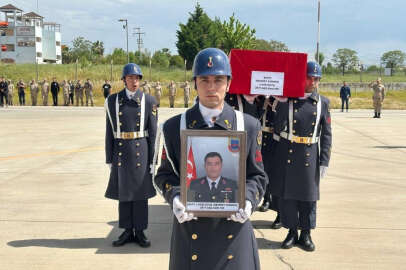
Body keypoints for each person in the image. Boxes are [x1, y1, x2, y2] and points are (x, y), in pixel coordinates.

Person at [154, 48, 267, 270]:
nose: (211, 86)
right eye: (204, 80)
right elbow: (164, 175)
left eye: (218, 79)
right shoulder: (174, 127)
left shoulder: (248, 125)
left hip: (234, 234)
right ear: (195, 83)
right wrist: (175, 196)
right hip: (190, 233)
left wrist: (249, 200)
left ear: (229, 83)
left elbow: (258, 176)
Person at [270, 61, 332, 252]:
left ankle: (306, 234)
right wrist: (278, 104)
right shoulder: (288, 100)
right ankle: (291, 233)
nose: (312, 82)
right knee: (288, 197)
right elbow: (277, 128)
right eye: (309, 77)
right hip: (288, 152)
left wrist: (324, 161)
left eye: (316, 79)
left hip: (309, 154)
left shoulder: (323, 102)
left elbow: (327, 133)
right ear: (301, 78)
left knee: (308, 198)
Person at [104, 63, 158, 248]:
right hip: (121, 150)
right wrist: (109, 157)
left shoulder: (149, 101)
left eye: (137, 78)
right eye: (130, 78)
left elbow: (153, 132)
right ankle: (127, 230)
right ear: (124, 79)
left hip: (140, 150)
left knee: (140, 193)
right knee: (124, 192)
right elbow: (109, 130)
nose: (134, 81)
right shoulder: (113, 100)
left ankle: (140, 230)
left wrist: (153, 159)